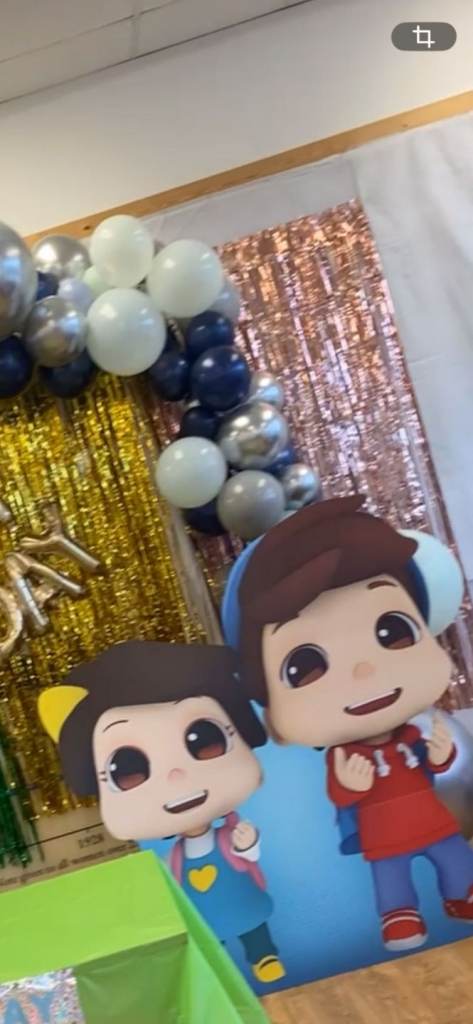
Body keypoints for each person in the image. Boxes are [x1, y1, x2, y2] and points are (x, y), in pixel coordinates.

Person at [236, 495, 473, 952]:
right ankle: (399, 914)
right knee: (390, 874)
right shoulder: (344, 756)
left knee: (454, 858)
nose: (364, 671)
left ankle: (462, 894)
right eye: (304, 666)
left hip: (433, 819)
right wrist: (350, 785)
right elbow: (341, 794)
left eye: (392, 631)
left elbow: (436, 768)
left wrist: (442, 758)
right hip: (383, 832)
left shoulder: (413, 734)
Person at [38, 641, 285, 984]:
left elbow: (248, 855)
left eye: (204, 740)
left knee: (251, 924)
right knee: (209, 936)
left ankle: (263, 954)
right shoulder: (175, 856)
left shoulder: (227, 833)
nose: (176, 777)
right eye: (128, 768)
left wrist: (247, 844)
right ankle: (216, 970)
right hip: (206, 912)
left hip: (242, 901)